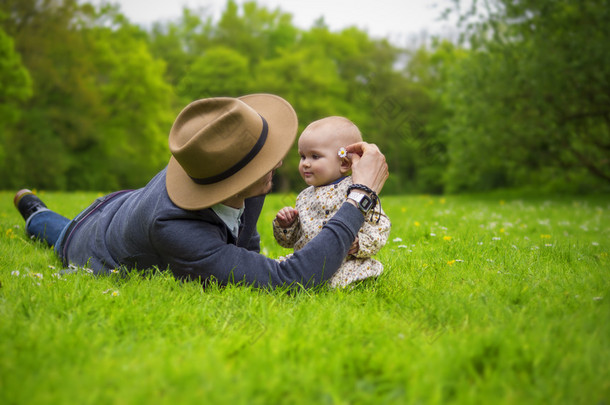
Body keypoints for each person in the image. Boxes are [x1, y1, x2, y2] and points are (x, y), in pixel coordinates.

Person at [13, 94, 389, 289]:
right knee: (55, 231)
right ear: (233, 180)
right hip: (89, 236)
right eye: (266, 161)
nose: (277, 162)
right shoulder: (177, 230)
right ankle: (33, 209)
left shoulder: (231, 163)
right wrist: (359, 196)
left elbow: (244, 241)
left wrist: (246, 260)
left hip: (127, 203)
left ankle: (37, 210)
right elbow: (291, 281)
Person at [273, 117, 391, 287]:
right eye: (302, 156)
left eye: (315, 156)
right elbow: (291, 241)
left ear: (344, 162)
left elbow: (380, 226)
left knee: (340, 278)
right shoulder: (304, 196)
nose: (305, 163)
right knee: (276, 270)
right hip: (307, 262)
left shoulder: (357, 189)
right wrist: (286, 226)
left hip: (344, 261)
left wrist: (360, 244)